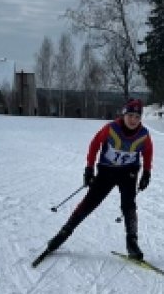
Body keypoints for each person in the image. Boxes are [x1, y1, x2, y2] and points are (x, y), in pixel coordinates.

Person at [43, 99, 154, 260]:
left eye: (137, 117)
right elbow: (94, 145)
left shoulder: (143, 134)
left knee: (129, 206)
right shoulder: (111, 128)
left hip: (129, 173)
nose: (133, 120)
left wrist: (146, 173)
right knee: (89, 203)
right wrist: (89, 168)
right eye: (130, 115)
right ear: (123, 114)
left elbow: (148, 152)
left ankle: (132, 242)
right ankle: (63, 233)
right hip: (106, 172)